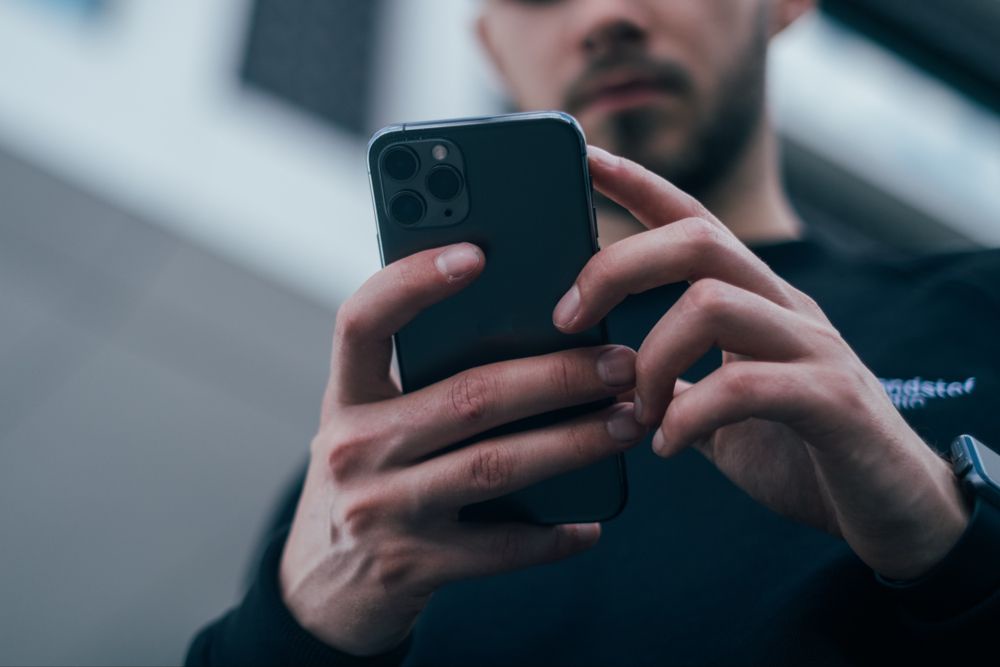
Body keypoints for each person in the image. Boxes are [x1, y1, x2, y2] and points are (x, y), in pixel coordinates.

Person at [187, 1, 1000, 664]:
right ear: (492, 48)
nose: (606, 14)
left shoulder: (981, 310)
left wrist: (947, 539)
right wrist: (295, 630)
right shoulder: (375, 477)